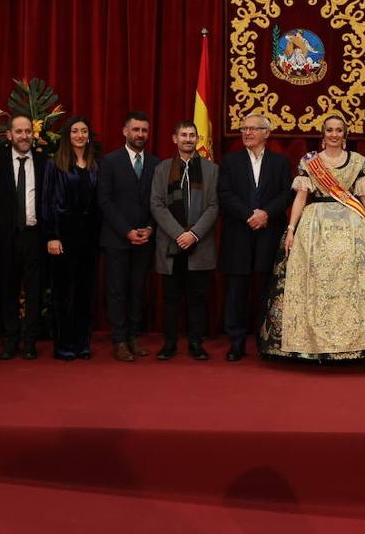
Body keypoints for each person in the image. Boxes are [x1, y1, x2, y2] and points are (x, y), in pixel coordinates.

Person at [259, 114, 365, 361]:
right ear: (323, 135)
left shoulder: (357, 161)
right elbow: (302, 197)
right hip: (315, 228)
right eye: (329, 130)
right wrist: (292, 229)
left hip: (353, 227)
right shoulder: (310, 162)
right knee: (316, 282)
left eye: (339, 130)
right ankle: (308, 344)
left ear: (345, 135)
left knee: (352, 282)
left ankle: (361, 344)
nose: (334, 134)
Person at [217, 113, 293, 361]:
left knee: (266, 289)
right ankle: (236, 342)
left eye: (253, 129)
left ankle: (266, 341)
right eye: (244, 129)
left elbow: (286, 194)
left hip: (269, 233)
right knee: (236, 291)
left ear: (266, 133)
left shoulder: (280, 162)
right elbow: (225, 194)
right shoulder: (230, 161)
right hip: (239, 232)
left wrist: (266, 214)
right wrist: (250, 215)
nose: (247, 133)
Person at [150, 121, 219, 361]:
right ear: (174, 139)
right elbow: (156, 204)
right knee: (171, 298)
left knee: (198, 298)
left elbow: (213, 206)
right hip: (171, 244)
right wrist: (179, 234)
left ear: (198, 139)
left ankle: (196, 343)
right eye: (183, 135)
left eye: (192, 135)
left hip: (199, 244)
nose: (188, 139)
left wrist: (194, 234)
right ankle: (169, 343)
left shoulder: (211, 170)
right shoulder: (162, 169)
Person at [98, 111, 158, 362]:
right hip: (117, 239)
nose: (140, 134)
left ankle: (134, 337)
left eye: (144, 130)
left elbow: (160, 202)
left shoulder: (157, 163)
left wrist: (150, 228)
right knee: (117, 291)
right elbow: (105, 201)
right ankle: (120, 340)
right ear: (125, 131)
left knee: (136, 290)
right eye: (135, 130)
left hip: (145, 239)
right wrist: (127, 231)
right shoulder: (109, 162)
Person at [40, 116, 101, 361]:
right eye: (75, 131)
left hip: (90, 238)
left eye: (83, 131)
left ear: (88, 135)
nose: (79, 135)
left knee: (86, 292)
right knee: (63, 293)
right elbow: (47, 201)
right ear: (68, 136)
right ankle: (63, 343)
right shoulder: (56, 164)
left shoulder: (97, 164)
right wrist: (52, 236)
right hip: (63, 237)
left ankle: (82, 342)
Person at [0, 114, 48, 360]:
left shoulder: (45, 162)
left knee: (34, 290)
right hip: (6, 236)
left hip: (35, 236)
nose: (24, 136)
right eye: (19, 132)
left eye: (28, 131)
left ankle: (30, 341)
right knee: (8, 289)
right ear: (9, 135)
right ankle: (10, 339)